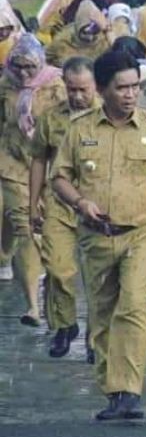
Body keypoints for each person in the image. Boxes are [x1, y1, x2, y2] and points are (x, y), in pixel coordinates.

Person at [51, 49, 146, 421]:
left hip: (144, 234)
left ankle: (130, 391)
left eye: (136, 87)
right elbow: (59, 178)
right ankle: (113, 390)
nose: (131, 94)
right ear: (102, 89)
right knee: (102, 315)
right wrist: (81, 202)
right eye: (122, 88)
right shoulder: (79, 129)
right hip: (97, 237)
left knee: (134, 306)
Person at [31, 57, 96, 358]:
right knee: (58, 269)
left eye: (83, 89)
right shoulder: (51, 118)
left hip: (96, 203)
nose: (77, 96)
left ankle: (98, 337)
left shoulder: (106, 116)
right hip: (58, 201)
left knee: (97, 275)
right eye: (72, 89)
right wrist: (33, 203)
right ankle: (64, 324)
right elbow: (39, 159)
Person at [1, 35, 66, 327]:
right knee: (25, 227)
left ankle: (54, 300)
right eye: (19, 66)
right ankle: (31, 305)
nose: (25, 73)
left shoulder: (57, 86)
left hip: (49, 166)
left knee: (48, 233)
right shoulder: (5, 86)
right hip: (12, 165)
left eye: (30, 67)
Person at [45, 1, 109, 66]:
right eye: (86, 32)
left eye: (95, 31)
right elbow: (47, 62)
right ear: (79, 26)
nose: (90, 37)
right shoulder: (60, 42)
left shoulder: (107, 40)